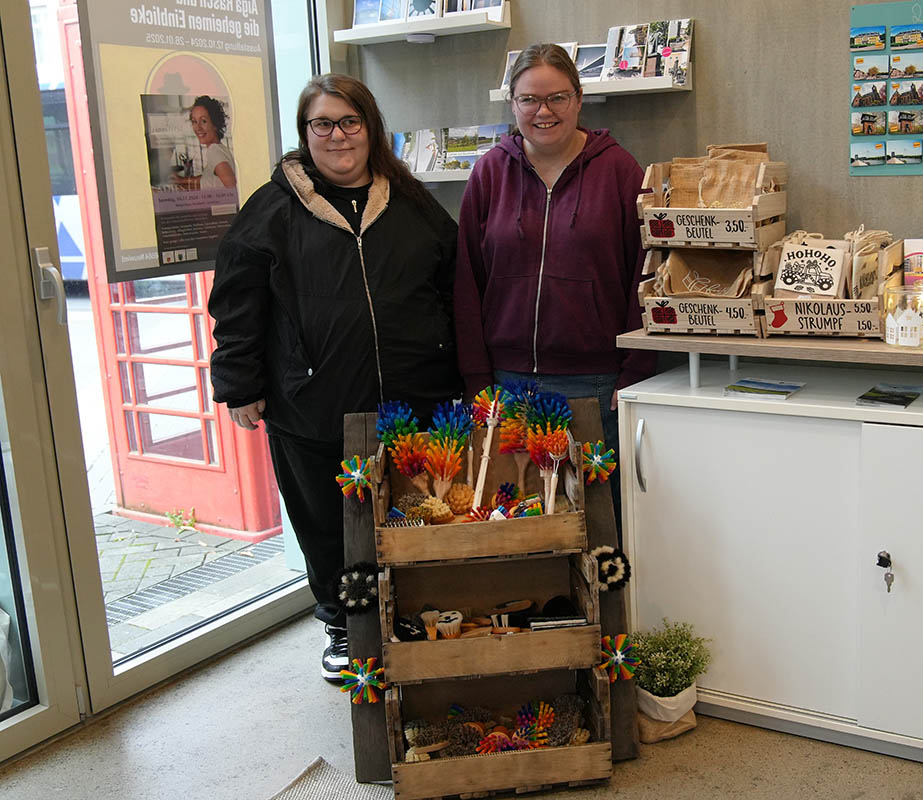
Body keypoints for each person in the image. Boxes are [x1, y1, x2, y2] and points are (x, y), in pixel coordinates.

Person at [208, 74, 460, 682]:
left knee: (415, 511)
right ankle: (344, 626)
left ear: (370, 127)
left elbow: (451, 283)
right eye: (322, 124)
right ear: (305, 134)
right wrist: (239, 384)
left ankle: (414, 613)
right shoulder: (270, 209)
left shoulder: (411, 201)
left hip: (414, 397)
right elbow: (237, 302)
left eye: (350, 122)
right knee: (328, 521)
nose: (337, 135)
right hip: (314, 403)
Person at [454, 43, 655, 528]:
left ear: (580, 99)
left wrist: (634, 372)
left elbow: (643, 276)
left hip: (594, 386)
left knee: (596, 522)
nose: (543, 111)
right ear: (513, 104)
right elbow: (467, 282)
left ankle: (603, 606)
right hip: (508, 387)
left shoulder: (620, 170)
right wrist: (478, 380)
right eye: (528, 100)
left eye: (557, 98)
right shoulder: (488, 172)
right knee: (518, 524)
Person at [175, 95, 236, 189]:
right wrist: (182, 181)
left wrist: (183, 181)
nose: (198, 128)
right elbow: (214, 180)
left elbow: (231, 185)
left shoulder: (214, 150)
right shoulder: (220, 148)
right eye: (194, 121)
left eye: (203, 121)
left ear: (215, 124)